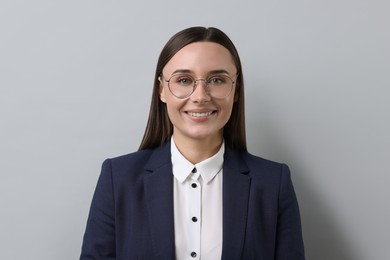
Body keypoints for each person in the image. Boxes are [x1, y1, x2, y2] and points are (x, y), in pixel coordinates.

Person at [80, 26, 305, 260]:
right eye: (184, 80)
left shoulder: (273, 183)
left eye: (217, 79)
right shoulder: (118, 179)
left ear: (235, 90)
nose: (200, 96)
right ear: (162, 90)